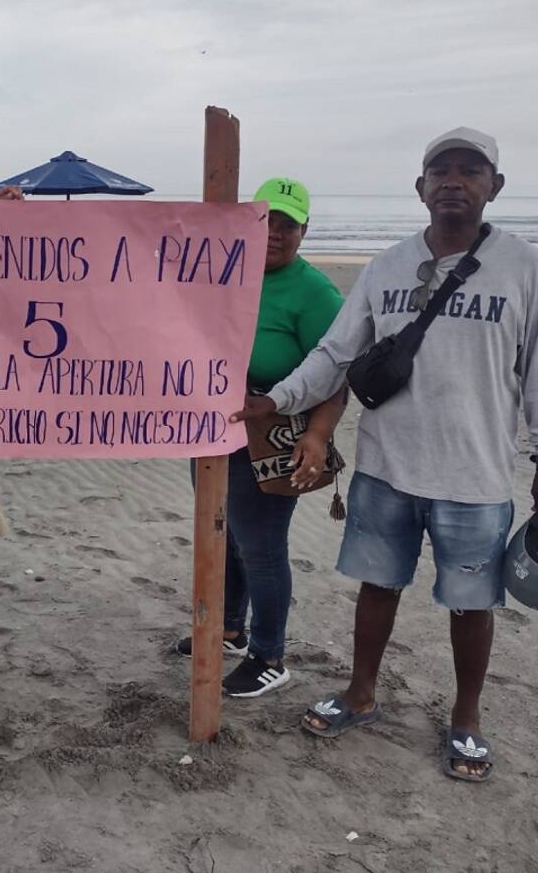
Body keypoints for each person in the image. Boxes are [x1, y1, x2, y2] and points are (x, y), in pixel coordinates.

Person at [233, 128, 538, 781]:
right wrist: (277, 402)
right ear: (419, 188)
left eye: (470, 170)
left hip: (476, 474)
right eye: (439, 171)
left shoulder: (523, 266)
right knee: (377, 587)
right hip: (386, 466)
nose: (454, 180)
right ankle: (360, 694)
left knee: (473, 603)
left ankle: (467, 717)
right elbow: (335, 353)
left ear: (493, 186)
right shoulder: (385, 266)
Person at [175, 177, 347, 699]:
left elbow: (337, 373)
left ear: (304, 231)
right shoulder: (221, 271)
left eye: (287, 224)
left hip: (274, 431)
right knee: (222, 529)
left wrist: (317, 436)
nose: (275, 233)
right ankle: (229, 627)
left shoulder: (315, 293)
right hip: (212, 422)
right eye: (265, 220)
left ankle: (269, 655)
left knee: (261, 544)